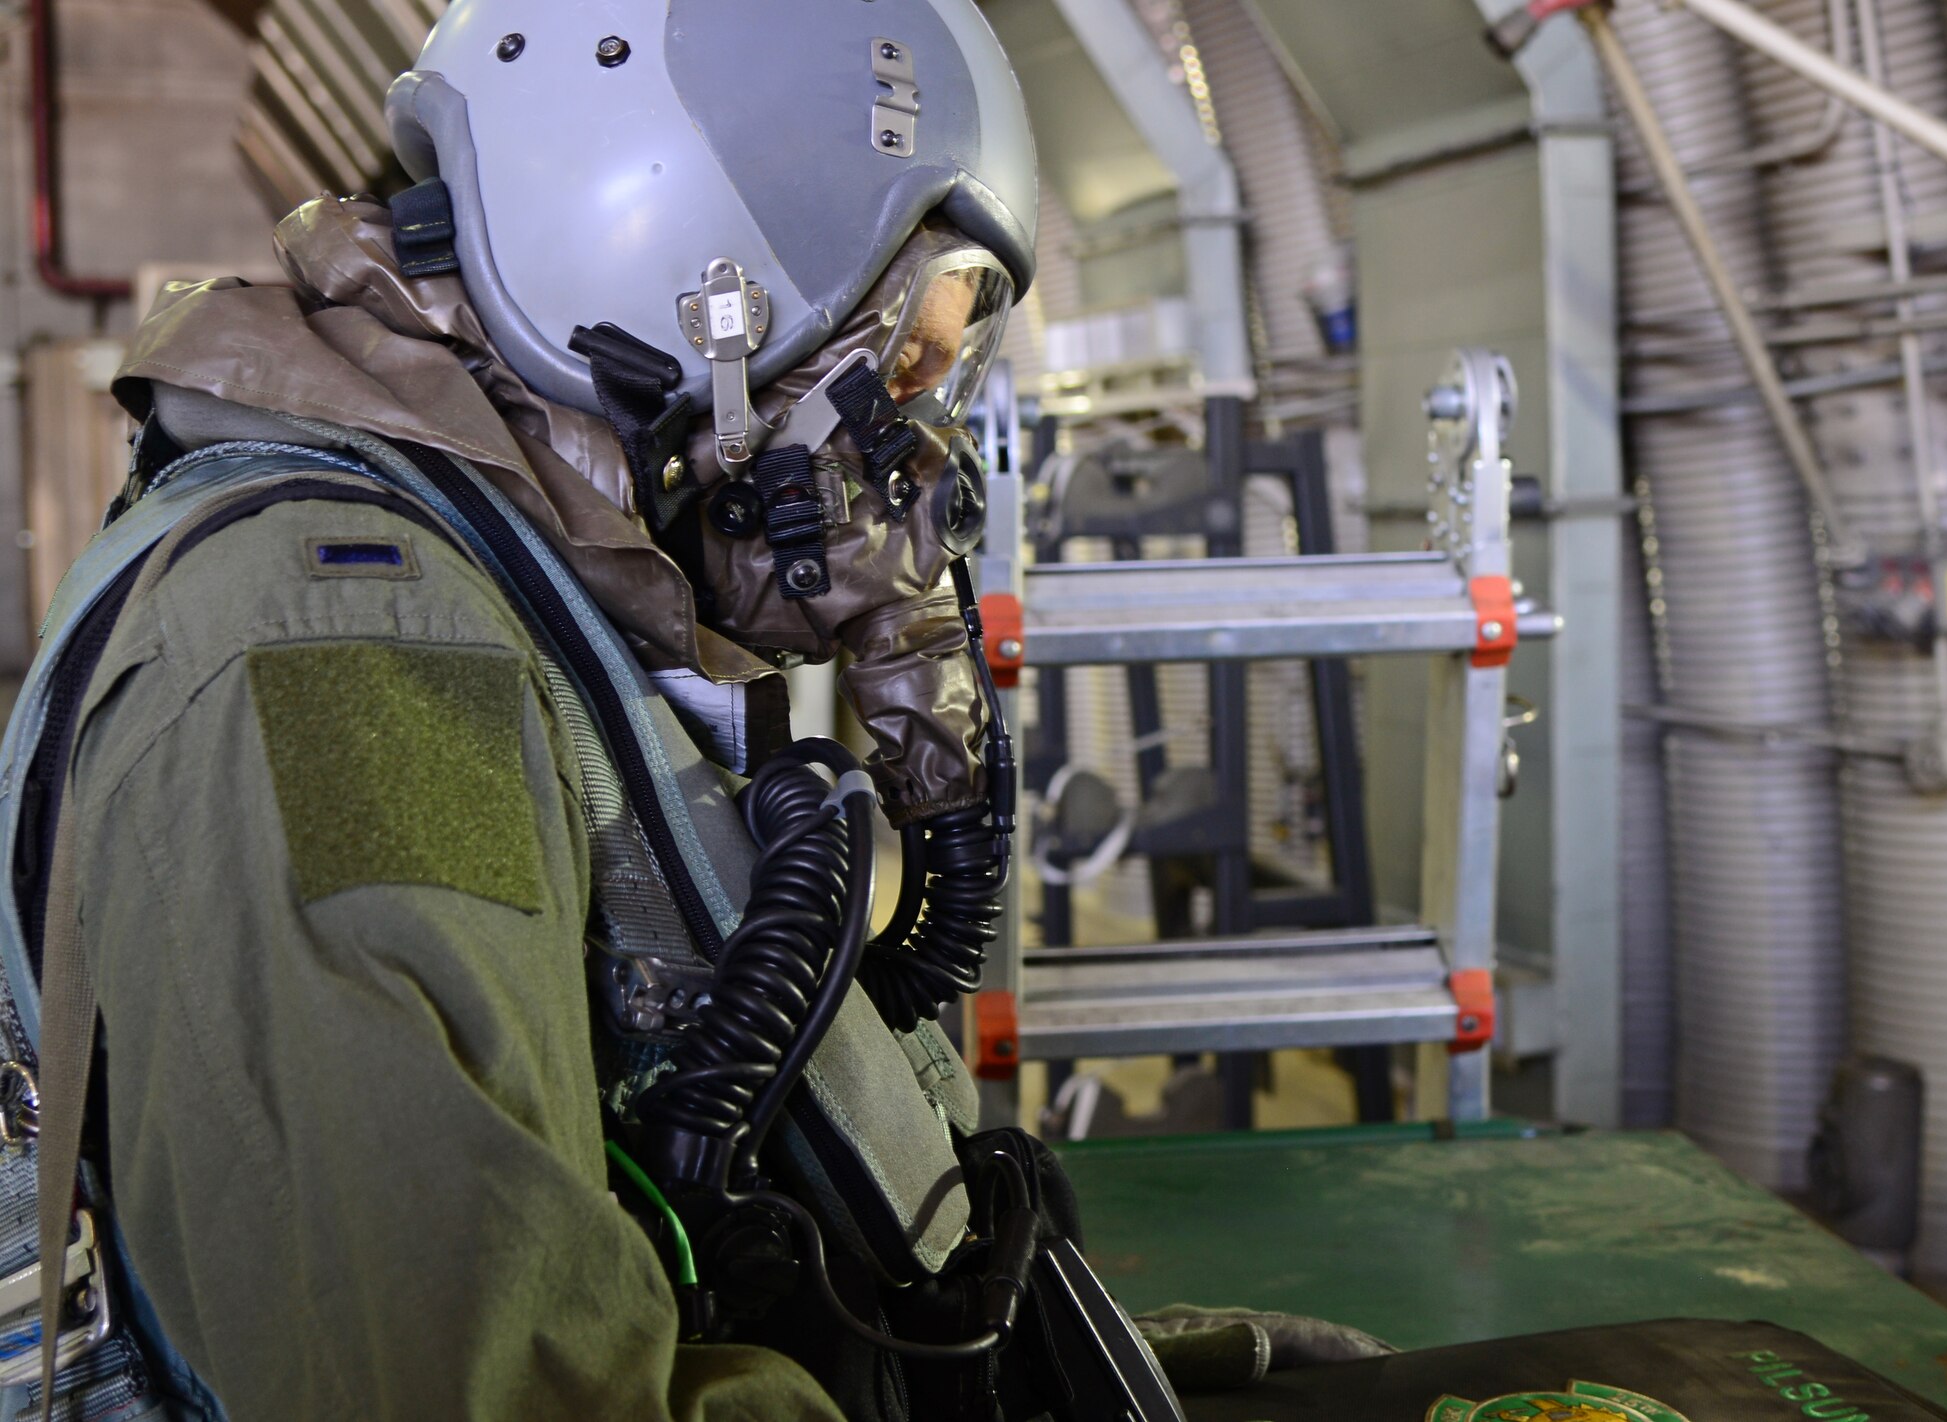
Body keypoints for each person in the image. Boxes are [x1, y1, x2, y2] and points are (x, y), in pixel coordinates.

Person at [0, 4, 1387, 1420]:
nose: (917, 455)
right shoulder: (332, 657)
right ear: (691, 293)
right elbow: (475, 1382)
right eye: (907, 365)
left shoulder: (479, 584)